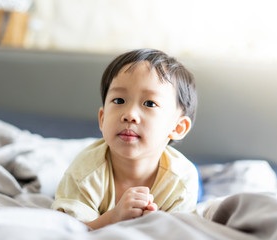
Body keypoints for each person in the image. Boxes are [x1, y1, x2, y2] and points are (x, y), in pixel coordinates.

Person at [51, 48, 198, 230]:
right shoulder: (84, 172)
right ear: (102, 119)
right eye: (119, 100)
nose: (129, 115)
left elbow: (177, 233)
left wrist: (154, 226)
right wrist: (113, 217)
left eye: (150, 103)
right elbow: (66, 230)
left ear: (177, 127)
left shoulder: (181, 181)